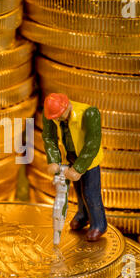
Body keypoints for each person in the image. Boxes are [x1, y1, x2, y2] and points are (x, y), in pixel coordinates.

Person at [42, 93, 107, 242]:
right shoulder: (50, 115)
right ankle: (83, 215)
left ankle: (99, 224)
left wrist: (78, 168)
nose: (58, 119)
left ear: (67, 106)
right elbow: (49, 137)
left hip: (88, 161)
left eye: (60, 115)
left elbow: (92, 143)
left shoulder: (89, 113)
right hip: (70, 157)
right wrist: (53, 160)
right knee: (78, 192)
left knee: (91, 193)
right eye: (55, 117)